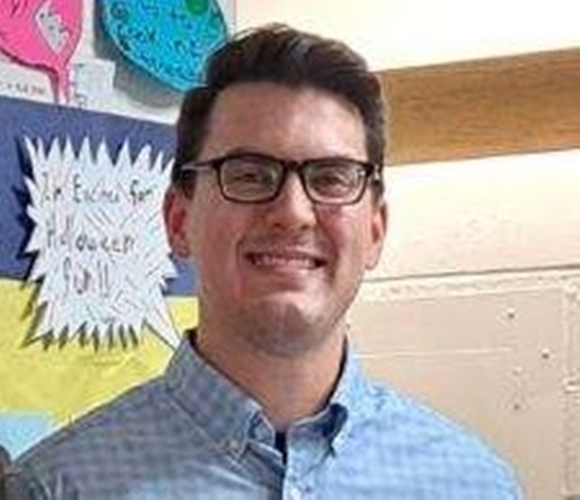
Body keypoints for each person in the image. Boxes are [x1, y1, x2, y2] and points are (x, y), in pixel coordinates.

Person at [13, 24, 524, 499]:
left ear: (375, 229)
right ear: (178, 220)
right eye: (249, 174)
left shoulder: (475, 485)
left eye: (331, 177)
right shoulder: (57, 487)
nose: (293, 212)